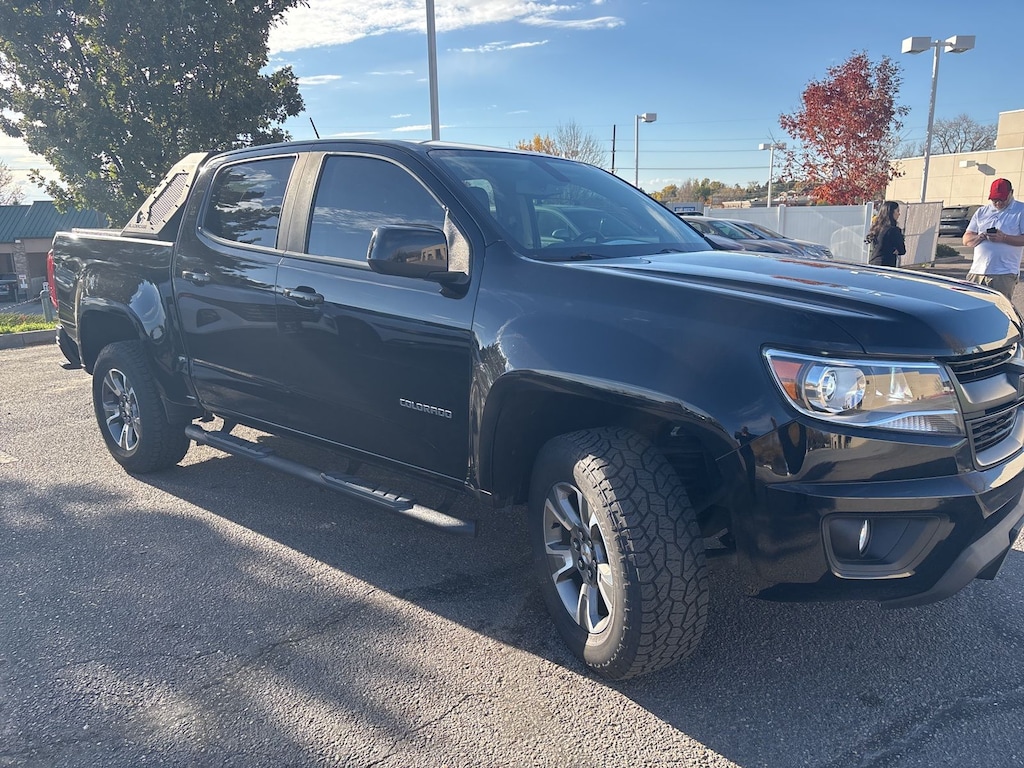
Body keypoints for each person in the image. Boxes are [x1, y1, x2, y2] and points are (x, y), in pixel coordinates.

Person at [963, 178, 1024, 302]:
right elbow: (966, 239)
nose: (998, 203)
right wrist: (981, 236)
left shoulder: (1020, 210)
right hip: (977, 272)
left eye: (1002, 199)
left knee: (999, 308)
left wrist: (1004, 238)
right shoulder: (982, 212)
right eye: (994, 199)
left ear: (1011, 193)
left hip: (1004, 273)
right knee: (971, 307)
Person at [865, 200, 906, 267]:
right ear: (891, 212)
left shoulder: (877, 228)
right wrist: (896, 250)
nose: (899, 214)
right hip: (886, 265)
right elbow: (902, 250)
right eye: (897, 211)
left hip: (873, 263)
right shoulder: (894, 230)